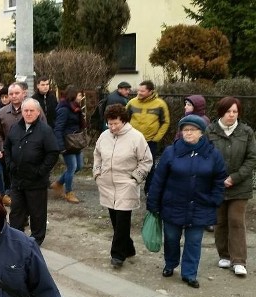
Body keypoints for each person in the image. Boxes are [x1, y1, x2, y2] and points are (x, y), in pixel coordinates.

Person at [147, 115, 226, 287]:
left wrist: (215, 199)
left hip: (200, 206)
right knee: (171, 238)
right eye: (185, 130)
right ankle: (170, 263)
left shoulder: (212, 154)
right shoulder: (171, 151)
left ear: (201, 133)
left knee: (194, 241)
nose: (188, 133)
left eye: (192, 130)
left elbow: (220, 179)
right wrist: (153, 202)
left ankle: (189, 273)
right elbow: (158, 179)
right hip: (173, 204)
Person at [93, 104, 153, 268]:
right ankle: (129, 247)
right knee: (115, 221)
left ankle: (117, 255)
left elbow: (146, 160)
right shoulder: (104, 136)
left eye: (115, 124)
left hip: (126, 184)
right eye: (109, 124)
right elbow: (97, 154)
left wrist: (135, 178)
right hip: (107, 184)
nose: (112, 127)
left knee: (122, 221)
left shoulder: (136, 137)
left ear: (124, 121)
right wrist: (97, 173)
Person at [206, 97, 256, 277]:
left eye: (235, 112)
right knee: (220, 221)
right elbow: (206, 155)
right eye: (228, 112)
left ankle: (239, 261)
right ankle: (224, 255)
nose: (232, 115)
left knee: (236, 221)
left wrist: (234, 177)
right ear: (221, 112)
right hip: (217, 185)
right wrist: (218, 178)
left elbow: (251, 158)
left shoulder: (246, 132)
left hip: (239, 186)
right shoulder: (210, 131)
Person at [4, 98, 59, 246]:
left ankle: (36, 239)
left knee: (37, 212)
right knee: (16, 210)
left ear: (38, 112)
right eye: (25, 110)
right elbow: (7, 148)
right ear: (21, 111)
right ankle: (16, 237)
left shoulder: (45, 130)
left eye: (31, 110)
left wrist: (41, 171)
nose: (28, 113)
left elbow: (53, 153)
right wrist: (10, 165)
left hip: (36, 181)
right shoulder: (15, 128)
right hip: (17, 179)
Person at [126, 80, 170, 195]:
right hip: (132, 141)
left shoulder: (160, 104)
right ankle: (130, 188)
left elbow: (165, 122)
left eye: (142, 91)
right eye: (138, 90)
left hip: (150, 141)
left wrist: (157, 138)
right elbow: (124, 119)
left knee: (149, 167)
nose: (139, 92)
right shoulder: (131, 103)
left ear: (150, 91)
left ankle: (148, 190)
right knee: (130, 164)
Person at [51, 86, 86, 204]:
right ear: (73, 95)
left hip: (75, 142)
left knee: (79, 166)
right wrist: (61, 147)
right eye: (80, 95)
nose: (81, 97)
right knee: (72, 167)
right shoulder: (64, 109)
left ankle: (59, 183)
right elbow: (58, 128)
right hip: (67, 143)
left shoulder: (75, 107)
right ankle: (69, 192)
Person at [0, 82, 28, 205]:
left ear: (23, 94)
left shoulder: (31, 109)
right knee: (13, 182)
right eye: (11, 94)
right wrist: (2, 147)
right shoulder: (3, 112)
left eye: (17, 93)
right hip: (10, 154)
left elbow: (43, 129)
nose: (14, 96)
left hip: (29, 153)